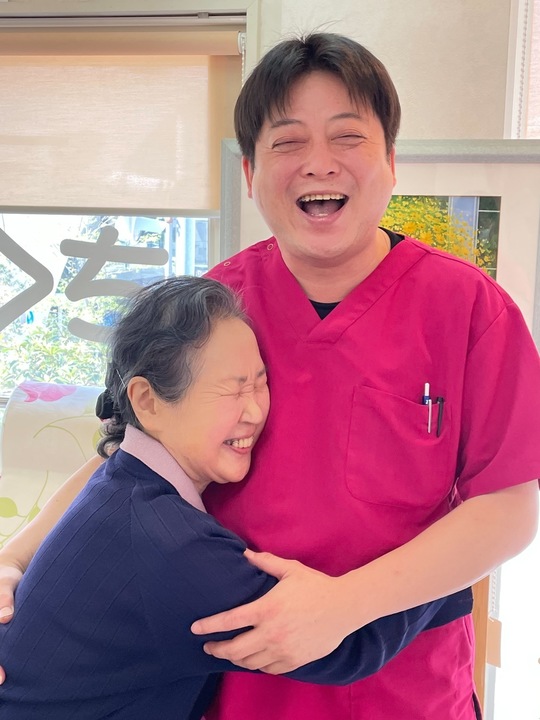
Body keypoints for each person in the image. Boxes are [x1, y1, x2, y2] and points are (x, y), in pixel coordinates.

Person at [0, 31, 539, 720]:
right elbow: (132, 452)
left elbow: (508, 507)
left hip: (401, 688)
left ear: (390, 161)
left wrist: (349, 604)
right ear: (251, 173)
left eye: (347, 136)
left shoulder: (469, 309)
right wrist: (14, 560)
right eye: (288, 142)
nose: (319, 163)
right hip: (236, 683)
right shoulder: (216, 305)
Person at [0, 276, 472, 719]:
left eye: (260, 383)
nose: (255, 410)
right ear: (147, 401)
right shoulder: (170, 545)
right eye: (231, 389)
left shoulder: (118, 485)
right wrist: (453, 554)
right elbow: (348, 649)